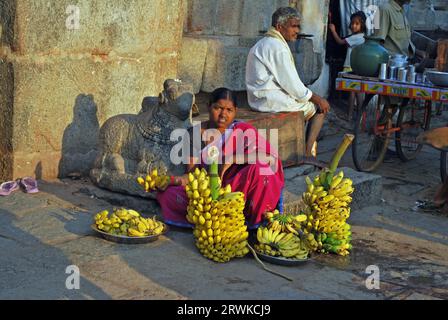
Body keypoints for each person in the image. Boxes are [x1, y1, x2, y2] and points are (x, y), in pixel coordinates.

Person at [156, 88, 285, 229]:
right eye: (218, 108)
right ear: (208, 106)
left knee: (261, 170)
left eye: (229, 110)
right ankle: (220, 220)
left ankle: (256, 223)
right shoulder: (194, 134)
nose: (223, 114)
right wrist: (174, 180)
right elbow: (193, 175)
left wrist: (233, 159)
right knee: (169, 195)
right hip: (210, 190)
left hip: (241, 186)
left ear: (235, 111)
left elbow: (268, 158)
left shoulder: (242, 129)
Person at [245, 7, 330, 158]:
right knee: (319, 108)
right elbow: (295, 87)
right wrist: (318, 99)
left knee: (306, 100)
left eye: (298, 26)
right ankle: (307, 153)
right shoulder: (277, 47)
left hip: (259, 99)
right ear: (279, 27)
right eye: (293, 26)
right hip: (269, 101)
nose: (297, 30)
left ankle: (301, 146)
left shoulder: (264, 43)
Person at [329, 11, 367, 119]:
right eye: (352, 23)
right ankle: (359, 115)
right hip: (358, 67)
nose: (353, 26)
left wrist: (333, 30)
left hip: (350, 66)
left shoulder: (356, 37)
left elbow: (340, 42)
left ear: (362, 25)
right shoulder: (363, 36)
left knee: (352, 92)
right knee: (358, 91)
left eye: (357, 23)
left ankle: (349, 115)